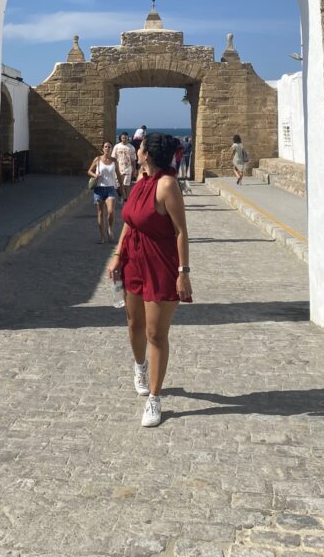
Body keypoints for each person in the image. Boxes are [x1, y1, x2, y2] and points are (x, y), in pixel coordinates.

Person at [107, 132, 192, 428]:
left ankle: (154, 398)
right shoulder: (141, 182)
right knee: (135, 325)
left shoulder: (167, 185)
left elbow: (181, 232)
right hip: (133, 261)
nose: (137, 149)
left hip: (160, 264)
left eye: (140, 147)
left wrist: (183, 273)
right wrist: (118, 255)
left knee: (156, 334)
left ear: (147, 154)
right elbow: (130, 222)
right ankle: (139, 367)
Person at [88, 142, 125, 243]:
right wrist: (95, 175)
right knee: (100, 213)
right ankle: (102, 236)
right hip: (99, 189)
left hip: (110, 189)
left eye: (109, 147)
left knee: (111, 211)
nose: (107, 148)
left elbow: (118, 176)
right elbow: (89, 171)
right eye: (105, 147)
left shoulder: (114, 161)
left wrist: (122, 190)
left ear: (112, 149)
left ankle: (110, 229)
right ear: (102, 149)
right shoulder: (98, 159)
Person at [112, 133, 137, 200]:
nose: (124, 139)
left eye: (126, 138)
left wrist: (134, 170)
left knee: (126, 185)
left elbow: (133, 159)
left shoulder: (131, 147)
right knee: (118, 185)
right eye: (123, 138)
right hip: (118, 168)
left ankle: (126, 199)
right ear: (120, 138)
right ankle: (120, 195)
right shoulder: (117, 146)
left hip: (128, 168)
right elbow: (113, 158)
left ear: (128, 138)